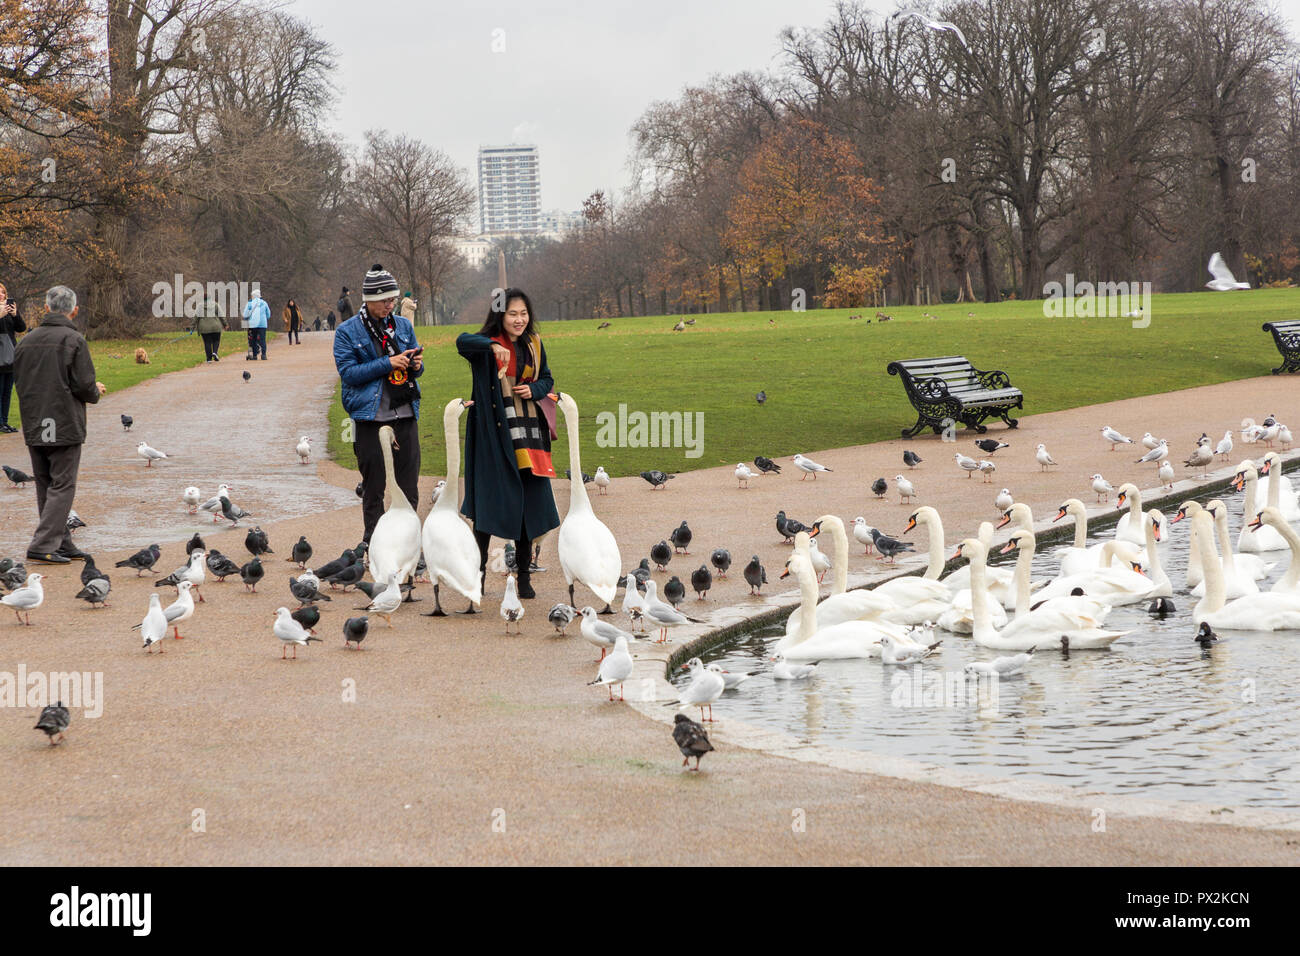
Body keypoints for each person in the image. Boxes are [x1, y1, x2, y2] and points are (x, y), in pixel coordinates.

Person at [456, 288, 559, 600]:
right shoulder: (484, 346)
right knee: (487, 508)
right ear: (500, 315)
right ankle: (478, 578)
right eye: (512, 314)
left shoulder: (534, 344)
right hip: (493, 437)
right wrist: (491, 345)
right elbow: (462, 341)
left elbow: (548, 379)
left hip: (528, 438)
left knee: (528, 507)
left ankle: (524, 577)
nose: (520, 319)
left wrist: (535, 390)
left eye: (523, 313)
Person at [12, 285, 105, 563]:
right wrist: (95, 391)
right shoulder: (73, 340)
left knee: (45, 483)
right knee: (63, 484)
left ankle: (60, 541)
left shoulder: (26, 341)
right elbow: (84, 385)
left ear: (46, 307)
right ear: (74, 310)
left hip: (34, 419)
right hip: (62, 421)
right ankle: (42, 544)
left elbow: (20, 381)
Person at [334, 264, 424, 543]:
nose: (390, 305)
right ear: (369, 300)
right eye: (385, 300)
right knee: (374, 487)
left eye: (392, 300)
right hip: (370, 416)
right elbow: (348, 373)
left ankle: (408, 543)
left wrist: (416, 365)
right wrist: (387, 363)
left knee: (409, 486)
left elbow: (414, 369)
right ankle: (374, 543)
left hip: (405, 412)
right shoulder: (347, 331)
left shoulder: (404, 325)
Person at [0, 281, 27, 433]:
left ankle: (5, 421)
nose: (0, 295)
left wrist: (15, 314)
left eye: (3, 292)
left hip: (10, 356)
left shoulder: (9, 310)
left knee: (7, 391)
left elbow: (21, 328)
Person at [196, 295, 227, 362]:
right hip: (216, 326)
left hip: (204, 327)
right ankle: (215, 352)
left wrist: (192, 327)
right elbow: (221, 315)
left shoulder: (199, 306)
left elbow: (196, 317)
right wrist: (225, 324)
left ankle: (209, 359)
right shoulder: (215, 305)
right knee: (216, 340)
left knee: (207, 342)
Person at [243, 288, 270, 359]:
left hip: (253, 324)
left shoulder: (249, 303)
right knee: (263, 339)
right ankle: (264, 355)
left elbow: (245, 315)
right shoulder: (264, 303)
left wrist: (247, 318)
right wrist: (264, 318)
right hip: (262, 324)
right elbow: (268, 314)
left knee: (253, 339)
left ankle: (255, 356)